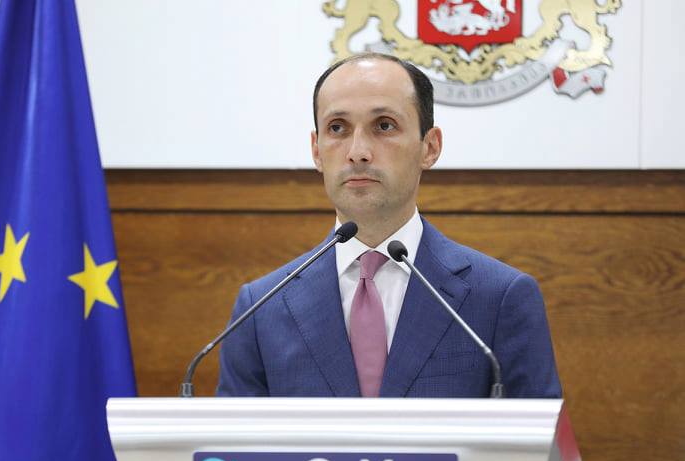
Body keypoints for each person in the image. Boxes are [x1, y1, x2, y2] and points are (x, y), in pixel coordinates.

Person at [217, 53, 561, 398]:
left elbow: (537, 431)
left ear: (430, 147)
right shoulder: (260, 308)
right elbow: (234, 434)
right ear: (317, 151)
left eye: (384, 126)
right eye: (337, 128)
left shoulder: (500, 297)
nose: (358, 152)